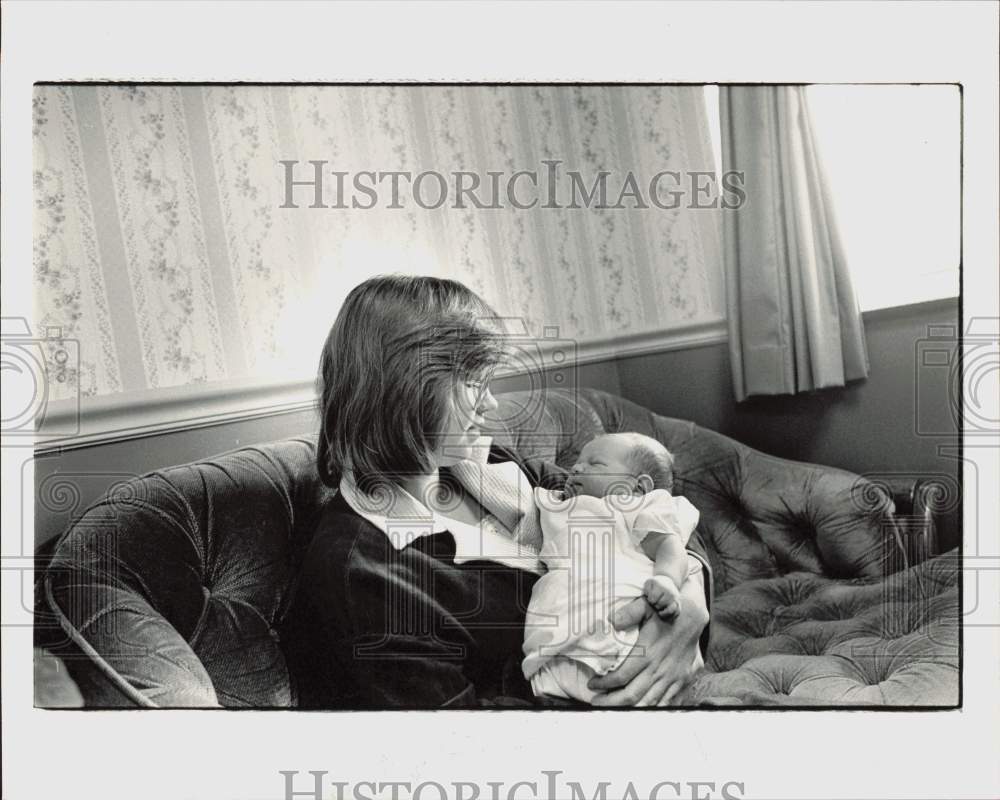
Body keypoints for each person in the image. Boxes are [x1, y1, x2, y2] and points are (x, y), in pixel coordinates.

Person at [282, 275, 711, 708]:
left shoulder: (495, 467)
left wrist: (689, 603)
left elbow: (644, 512)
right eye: (473, 382)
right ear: (403, 390)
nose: (491, 404)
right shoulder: (365, 577)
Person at [523, 432, 704, 704]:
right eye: (578, 461)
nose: (575, 468)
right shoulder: (557, 500)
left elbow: (669, 544)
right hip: (559, 617)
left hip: (616, 608)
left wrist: (667, 580)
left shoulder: (633, 505)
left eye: (595, 463)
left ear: (637, 488)